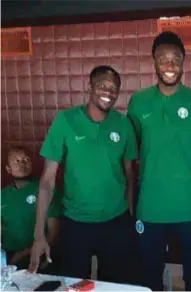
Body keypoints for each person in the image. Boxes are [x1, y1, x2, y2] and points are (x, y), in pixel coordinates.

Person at [29, 65, 138, 284]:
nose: (109, 92)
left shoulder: (123, 124)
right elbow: (47, 180)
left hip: (116, 222)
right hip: (76, 224)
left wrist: (129, 218)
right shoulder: (66, 121)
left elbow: (129, 175)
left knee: (115, 285)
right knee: (74, 285)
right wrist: (39, 235)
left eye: (114, 89)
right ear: (89, 87)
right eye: (102, 85)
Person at [127, 31, 191, 291]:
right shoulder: (138, 102)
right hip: (151, 207)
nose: (170, 65)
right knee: (149, 276)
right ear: (154, 62)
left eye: (176, 59)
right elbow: (131, 155)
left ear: (183, 62)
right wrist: (131, 201)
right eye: (163, 59)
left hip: (190, 206)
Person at [1, 147, 62, 273]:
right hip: (8, 259)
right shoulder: (3, 195)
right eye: (16, 161)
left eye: (26, 159)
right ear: (8, 169)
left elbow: (53, 234)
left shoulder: (46, 190)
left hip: (40, 255)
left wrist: (23, 254)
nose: (22, 164)